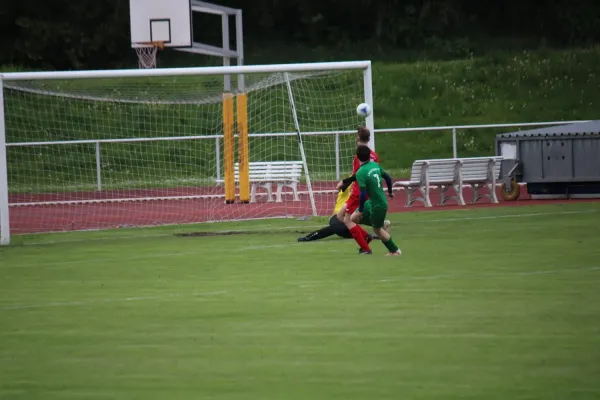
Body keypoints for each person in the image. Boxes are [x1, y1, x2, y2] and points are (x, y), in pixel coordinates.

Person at [335, 126, 380, 253]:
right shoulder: (374, 156)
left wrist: (344, 182)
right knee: (340, 216)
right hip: (368, 191)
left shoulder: (359, 156)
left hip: (358, 192)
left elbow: (357, 175)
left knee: (347, 220)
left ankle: (365, 248)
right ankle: (366, 236)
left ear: (358, 138)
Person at [297, 182, 390, 242]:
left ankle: (378, 227)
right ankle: (375, 230)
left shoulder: (361, 186)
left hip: (349, 216)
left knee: (343, 227)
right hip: (338, 216)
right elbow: (339, 186)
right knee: (340, 228)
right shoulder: (351, 183)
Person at [351, 145, 401, 256]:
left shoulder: (360, 172)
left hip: (378, 205)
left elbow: (363, 193)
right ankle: (381, 223)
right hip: (372, 202)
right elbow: (387, 178)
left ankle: (395, 250)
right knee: (353, 218)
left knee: (377, 230)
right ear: (369, 156)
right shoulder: (375, 165)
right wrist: (390, 191)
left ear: (358, 158)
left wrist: (360, 210)